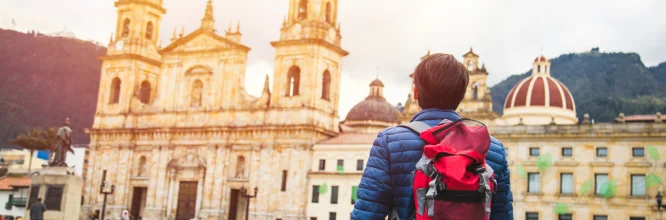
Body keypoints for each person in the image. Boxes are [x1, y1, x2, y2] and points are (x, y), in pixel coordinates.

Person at [351, 53, 513, 220]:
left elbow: (366, 213)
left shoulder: (388, 142)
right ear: (462, 95)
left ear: (415, 92)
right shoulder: (493, 149)